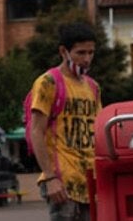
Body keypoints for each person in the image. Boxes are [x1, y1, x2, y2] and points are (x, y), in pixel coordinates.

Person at [29, 23, 102, 221]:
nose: (87, 59)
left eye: (91, 52)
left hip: (91, 182)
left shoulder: (93, 87)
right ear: (64, 51)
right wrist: (50, 177)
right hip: (62, 182)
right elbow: (36, 131)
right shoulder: (48, 82)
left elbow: (98, 131)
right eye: (80, 53)